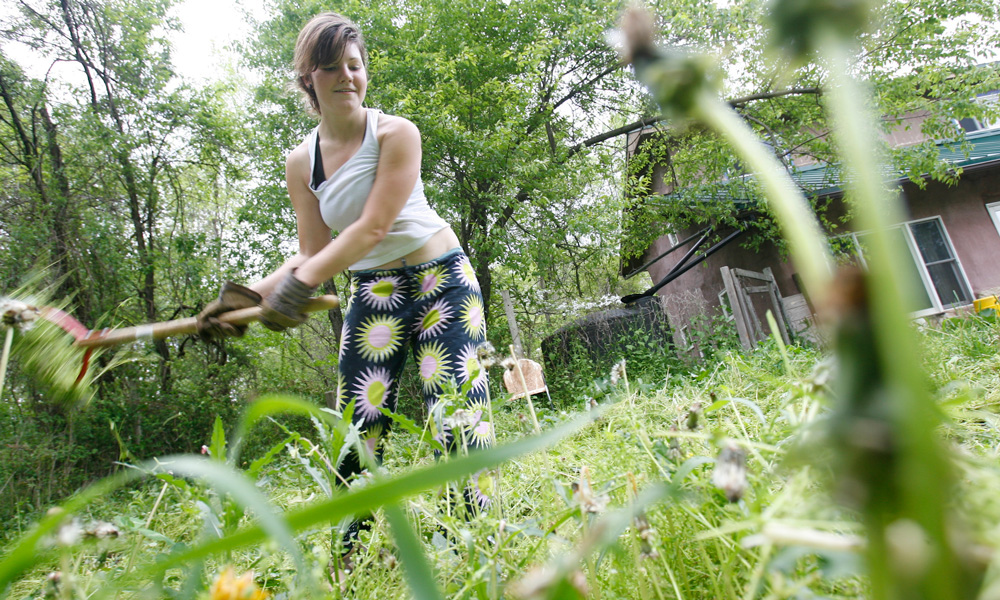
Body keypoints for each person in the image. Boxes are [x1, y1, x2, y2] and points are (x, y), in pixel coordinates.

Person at [196, 10, 494, 557]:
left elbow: (373, 226)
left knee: (454, 411)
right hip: (373, 291)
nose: (347, 78)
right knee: (357, 424)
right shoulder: (301, 162)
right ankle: (350, 552)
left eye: (354, 66)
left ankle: (477, 540)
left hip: (441, 280)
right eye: (331, 68)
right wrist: (245, 298)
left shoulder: (395, 133)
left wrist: (302, 280)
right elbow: (312, 253)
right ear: (308, 77)